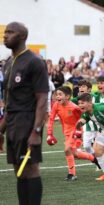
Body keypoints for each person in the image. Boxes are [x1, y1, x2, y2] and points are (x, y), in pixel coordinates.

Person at [0, 22, 48, 205]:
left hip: (28, 122)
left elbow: (42, 99)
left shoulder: (34, 62)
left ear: (22, 36)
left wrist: (36, 130)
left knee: (30, 169)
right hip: (12, 123)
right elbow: (10, 102)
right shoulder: (8, 63)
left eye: (10, 32)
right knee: (18, 169)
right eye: (5, 32)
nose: (5, 36)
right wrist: (1, 130)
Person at [47, 86, 99, 180]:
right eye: (56, 94)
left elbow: (85, 116)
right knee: (74, 154)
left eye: (60, 94)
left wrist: (79, 130)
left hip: (76, 132)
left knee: (67, 150)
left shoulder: (74, 108)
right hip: (66, 132)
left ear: (67, 96)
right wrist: (49, 134)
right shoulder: (56, 105)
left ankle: (72, 174)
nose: (57, 96)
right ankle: (93, 158)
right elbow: (51, 119)